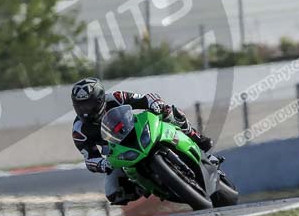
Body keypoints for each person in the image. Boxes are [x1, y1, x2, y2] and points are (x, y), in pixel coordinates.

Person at [70, 77, 213, 205]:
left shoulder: (116, 97)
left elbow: (145, 99)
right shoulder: (79, 130)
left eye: (88, 105)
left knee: (169, 111)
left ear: (100, 99)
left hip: (137, 131)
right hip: (119, 154)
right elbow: (89, 158)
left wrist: (155, 104)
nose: (85, 110)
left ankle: (196, 137)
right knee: (114, 194)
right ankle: (145, 185)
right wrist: (103, 164)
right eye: (80, 106)